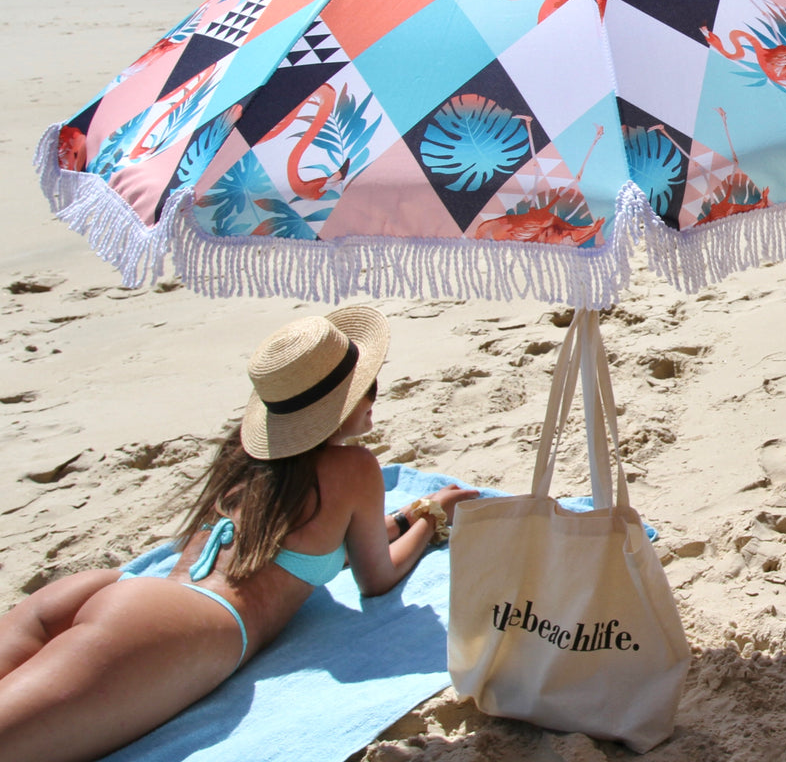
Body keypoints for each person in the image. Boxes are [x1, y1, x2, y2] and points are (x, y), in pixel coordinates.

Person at [0, 305, 477, 762]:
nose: (375, 399)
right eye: (368, 388)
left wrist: (403, 519)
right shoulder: (352, 467)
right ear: (341, 404)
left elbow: (320, 547)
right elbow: (376, 578)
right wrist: (432, 519)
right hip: (180, 629)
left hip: (125, 594)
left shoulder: (247, 457)